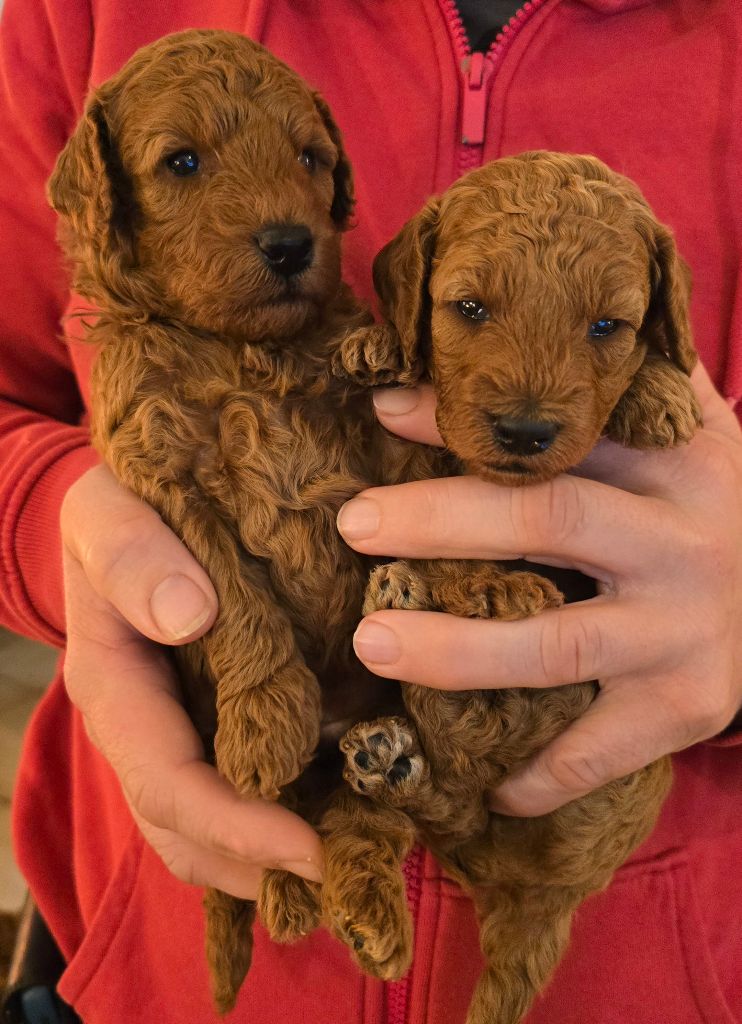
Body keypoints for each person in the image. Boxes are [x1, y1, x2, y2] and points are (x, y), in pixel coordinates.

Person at [0, 0, 740, 1021]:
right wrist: (57, 534)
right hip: (153, 954)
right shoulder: (81, 16)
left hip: (643, 964)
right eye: (181, 165)